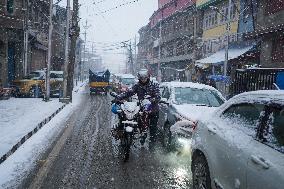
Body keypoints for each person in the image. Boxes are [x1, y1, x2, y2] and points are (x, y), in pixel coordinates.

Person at [117, 69, 161, 150]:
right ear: (139, 78)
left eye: (144, 78)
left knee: (153, 129)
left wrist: (151, 100)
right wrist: (119, 97)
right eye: (141, 78)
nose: (143, 80)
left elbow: (158, 96)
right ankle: (142, 138)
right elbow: (129, 92)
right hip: (142, 111)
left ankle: (152, 146)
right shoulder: (137, 85)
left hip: (153, 111)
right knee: (142, 127)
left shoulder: (154, 85)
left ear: (148, 77)